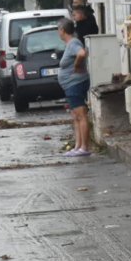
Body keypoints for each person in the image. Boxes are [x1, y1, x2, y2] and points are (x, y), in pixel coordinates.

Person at [57, 19, 92, 157]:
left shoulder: (73, 43)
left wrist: (77, 65)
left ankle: (84, 147)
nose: (58, 32)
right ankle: (78, 146)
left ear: (62, 30)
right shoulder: (70, 44)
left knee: (81, 115)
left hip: (75, 84)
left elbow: (82, 53)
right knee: (75, 116)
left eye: (58, 30)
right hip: (71, 85)